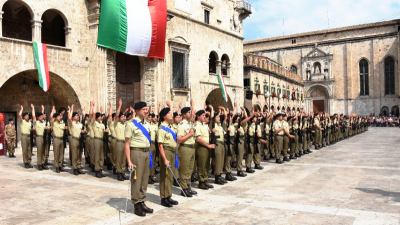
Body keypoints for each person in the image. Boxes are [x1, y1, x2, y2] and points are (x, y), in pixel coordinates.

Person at [125, 101, 154, 217]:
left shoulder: (147, 124)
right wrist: (129, 161)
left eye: (147, 109)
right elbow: (127, 143)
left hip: (146, 153)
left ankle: (142, 201)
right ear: (137, 111)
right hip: (136, 153)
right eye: (144, 109)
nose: (146, 111)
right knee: (136, 179)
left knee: (144, 178)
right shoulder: (131, 124)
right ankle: (136, 204)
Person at [157, 107, 179, 207]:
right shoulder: (162, 128)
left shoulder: (170, 127)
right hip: (166, 151)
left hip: (172, 151)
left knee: (170, 175)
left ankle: (168, 195)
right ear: (164, 116)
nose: (171, 115)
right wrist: (165, 159)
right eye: (169, 113)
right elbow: (160, 145)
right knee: (165, 175)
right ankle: (164, 198)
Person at [177, 105, 197, 197]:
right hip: (185, 148)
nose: (191, 113)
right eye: (189, 112)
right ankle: (184, 188)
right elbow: (179, 139)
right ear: (184, 115)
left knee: (190, 169)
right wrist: (190, 134)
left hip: (192, 147)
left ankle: (188, 186)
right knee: (184, 169)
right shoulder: (181, 125)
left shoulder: (189, 124)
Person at [194, 109, 215, 190]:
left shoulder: (204, 125)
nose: (204, 117)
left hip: (207, 147)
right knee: (202, 165)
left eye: (204, 115)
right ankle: (201, 182)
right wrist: (208, 145)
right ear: (198, 117)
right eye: (202, 115)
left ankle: (205, 180)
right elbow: (198, 139)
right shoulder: (197, 125)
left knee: (206, 164)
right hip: (201, 147)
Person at [67, 105, 86, 175]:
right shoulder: (71, 123)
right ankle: (75, 168)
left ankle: (78, 167)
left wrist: (83, 131)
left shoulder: (80, 124)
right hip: (74, 139)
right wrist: (71, 110)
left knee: (79, 154)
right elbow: (69, 118)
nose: (77, 117)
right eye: (76, 116)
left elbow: (81, 130)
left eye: (78, 116)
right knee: (74, 154)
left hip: (80, 139)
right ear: (73, 117)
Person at [31, 104, 49, 170]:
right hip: (39, 137)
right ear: (38, 117)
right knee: (40, 151)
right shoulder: (36, 122)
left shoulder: (44, 122)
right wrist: (33, 108)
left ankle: (43, 163)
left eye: (42, 116)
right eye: (41, 116)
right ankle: (39, 164)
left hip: (44, 137)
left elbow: (44, 116)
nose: (42, 117)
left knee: (43, 151)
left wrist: (43, 109)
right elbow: (33, 116)